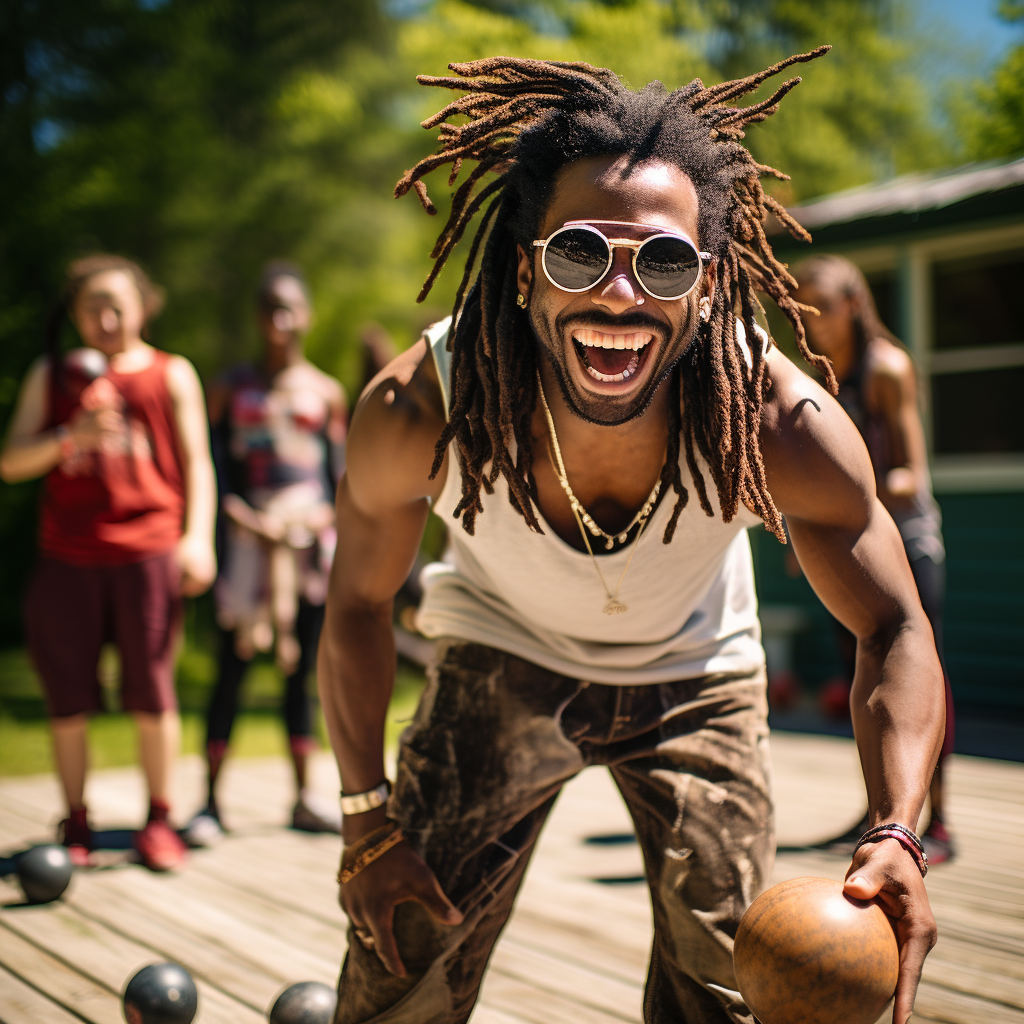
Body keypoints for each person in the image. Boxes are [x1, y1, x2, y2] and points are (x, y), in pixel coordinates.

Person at [317, 53, 943, 1024]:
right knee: (402, 958)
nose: (619, 295)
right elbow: (355, 603)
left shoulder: (777, 421)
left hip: (696, 672)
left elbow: (896, 626)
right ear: (526, 269)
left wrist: (898, 827)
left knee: (733, 985)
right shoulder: (422, 406)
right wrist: (364, 821)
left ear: (705, 283)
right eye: (579, 253)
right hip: (501, 652)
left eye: (662, 262)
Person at [0, 254, 217, 872]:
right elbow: (12, 461)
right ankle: (77, 819)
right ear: (75, 315)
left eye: (118, 303)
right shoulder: (52, 375)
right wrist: (71, 437)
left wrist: (197, 538)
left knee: (152, 690)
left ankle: (159, 819)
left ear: (144, 306)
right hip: (67, 556)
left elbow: (198, 464)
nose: (107, 317)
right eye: (93, 306)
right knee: (66, 695)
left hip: (148, 551)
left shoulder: (171, 373)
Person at [793, 254, 955, 865]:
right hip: (850, 543)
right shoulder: (822, 375)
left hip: (906, 541)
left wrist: (839, 495)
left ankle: (936, 825)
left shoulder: (887, 368)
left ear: (855, 306)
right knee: (865, 684)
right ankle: (881, 816)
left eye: (823, 308)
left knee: (919, 677)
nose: (812, 323)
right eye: (803, 310)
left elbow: (911, 474)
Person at [184, 262, 347, 845]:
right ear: (257, 317)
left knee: (301, 671)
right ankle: (207, 802)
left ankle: (305, 796)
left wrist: (324, 516)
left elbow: (339, 475)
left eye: (289, 308)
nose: (279, 320)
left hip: (305, 550)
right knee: (231, 668)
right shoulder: (231, 387)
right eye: (268, 308)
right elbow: (209, 463)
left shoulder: (325, 391)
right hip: (246, 545)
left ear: (304, 316)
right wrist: (234, 513)